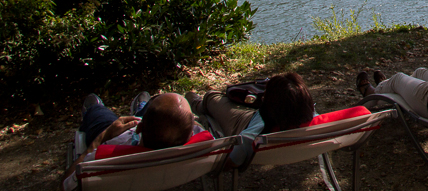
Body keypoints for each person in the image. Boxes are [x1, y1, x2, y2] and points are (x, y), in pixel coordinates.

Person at [62, 92, 199, 190]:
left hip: (116, 136)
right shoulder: (202, 146)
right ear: (191, 133)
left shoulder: (100, 157)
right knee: (159, 111)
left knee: (96, 111)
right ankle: (140, 111)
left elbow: (65, 185)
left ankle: (94, 110)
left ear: (139, 129)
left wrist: (102, 137)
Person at [187, 72, 314, 169]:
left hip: (242, 123)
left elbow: (227, 162)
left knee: (212, 97)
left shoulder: (251, 138)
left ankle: (195, 103)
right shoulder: (312, 118)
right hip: (259, 117)